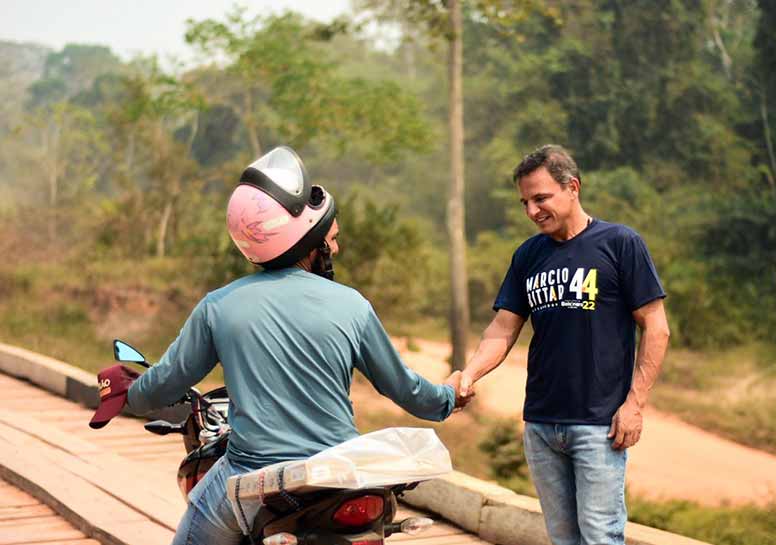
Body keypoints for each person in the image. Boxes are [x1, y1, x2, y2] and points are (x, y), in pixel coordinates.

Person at [88, 146, 470, 545]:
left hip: (250, 477)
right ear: (310, 241)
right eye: (332, 239)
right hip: (335, 475)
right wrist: (449, 397)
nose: (335, 249)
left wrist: (127, 390)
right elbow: (406, 389)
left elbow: (162, 387)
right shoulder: (353, 306)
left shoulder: (219, 306)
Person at [458, 145, 669, 545]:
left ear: (572, 187)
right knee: (562, 538)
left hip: (599, 424)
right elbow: (503, 328)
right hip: (541, 423)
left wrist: (634, 404)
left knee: (599, 536)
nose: (532, 211)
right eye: (525, 202)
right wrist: (469, 374)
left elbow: (656, 328)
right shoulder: (528, 255)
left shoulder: (620, 243)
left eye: (541, 198)